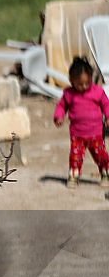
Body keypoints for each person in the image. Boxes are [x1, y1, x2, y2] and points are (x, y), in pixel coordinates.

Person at [53, 56, 109, 189]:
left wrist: (108, 116)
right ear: (71, 81)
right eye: (79, 84)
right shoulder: (69, 94)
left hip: (96, 133)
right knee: (75, 156)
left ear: (91, 78)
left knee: (101, 155)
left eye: (87, 83)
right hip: (77, 134)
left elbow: (106, 104)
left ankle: (105, 173)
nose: (84, 86)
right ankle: (74, 175)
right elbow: (61, 106)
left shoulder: (98, 92)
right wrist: (58, 116)